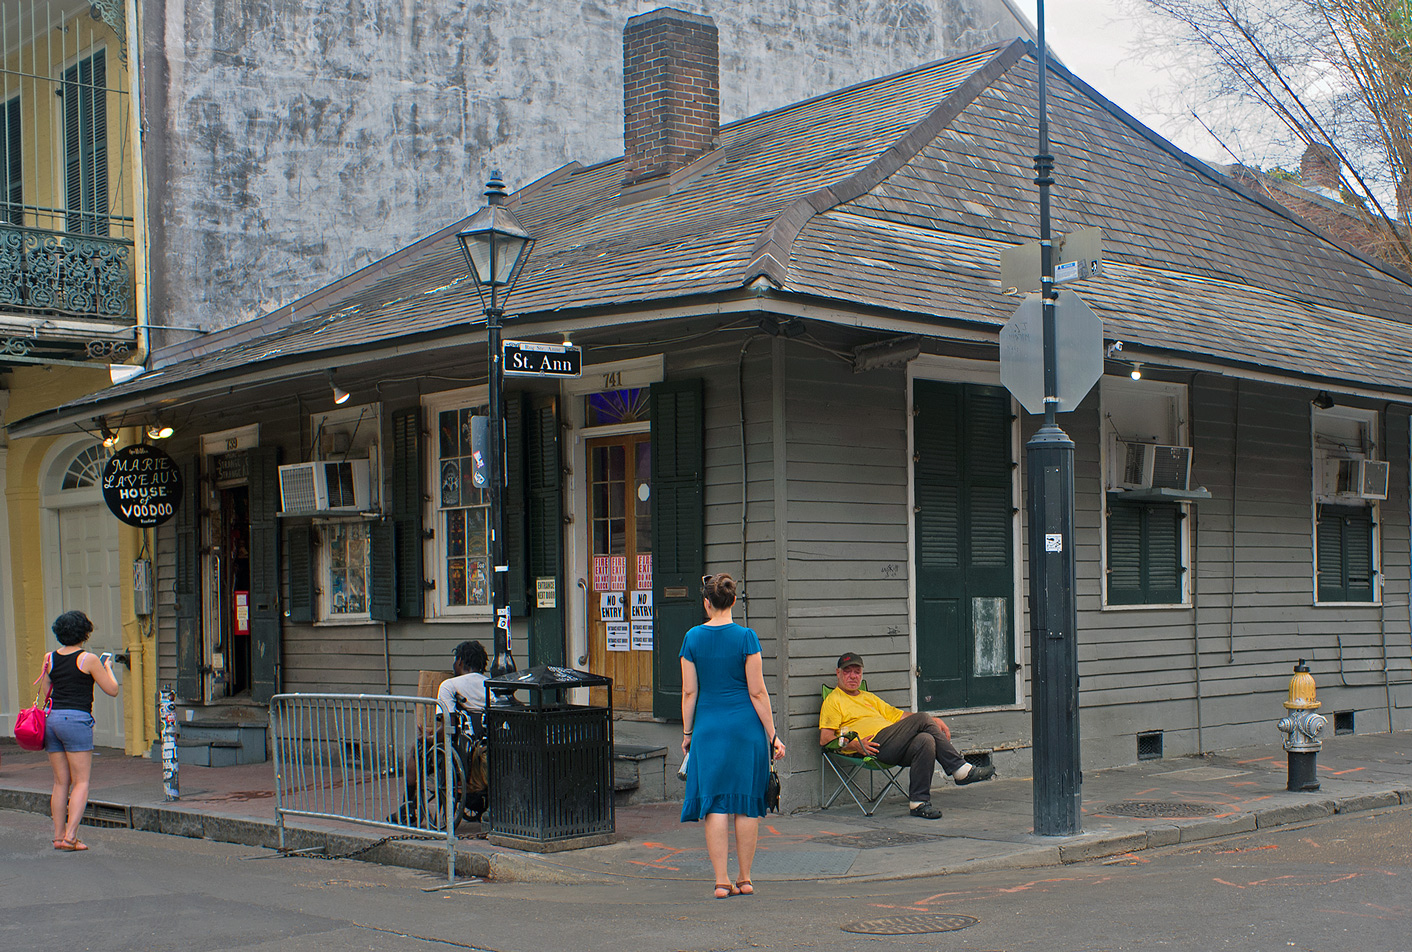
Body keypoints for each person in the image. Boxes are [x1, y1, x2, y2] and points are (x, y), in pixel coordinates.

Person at [680, 573, 786, 899]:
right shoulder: (747, 638)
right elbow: (757, 692)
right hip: (745, 730)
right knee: (746, 804)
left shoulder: (692, 638)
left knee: (715, 805)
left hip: (709, 730)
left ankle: (721, 881)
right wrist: (773, 735)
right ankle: (745, 878)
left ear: (706, 603)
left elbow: (689, 692)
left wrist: (688, 733)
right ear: (734, 601)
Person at [819, 651, 994, 819]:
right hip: (872, 747)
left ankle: (919, 803)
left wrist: (932, 720)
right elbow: (825, 740)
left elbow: (899, 717)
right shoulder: (834, 700)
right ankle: (959, 769)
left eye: (857, 672)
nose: (853, 676)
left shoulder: (869, 697)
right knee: (922, 718)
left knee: (925, 740)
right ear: (838, 673)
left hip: (893, 746)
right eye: (847, 672)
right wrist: (854, 746)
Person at [36, 610, 120, 851]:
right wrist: (108, 668)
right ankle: (71, 837)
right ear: (85, 632)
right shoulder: (89, 659)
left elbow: (46, 692)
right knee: (81, 781)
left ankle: (58, 836)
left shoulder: (48, 658)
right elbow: (112, 690)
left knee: (60, 782)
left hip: (52, 721)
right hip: (76, 720)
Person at [437, 640, 489, 732]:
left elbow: (448, 728)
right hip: (491, 739)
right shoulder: (491, 685)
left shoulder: (449, 685)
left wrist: (427, 738)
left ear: (459, 661)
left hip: (464, 742)